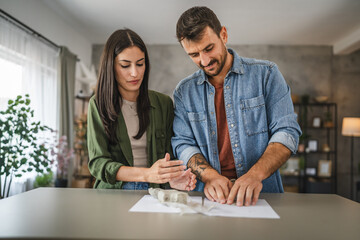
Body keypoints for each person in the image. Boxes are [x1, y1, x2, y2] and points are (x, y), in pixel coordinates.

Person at [172, 7, 301, 206]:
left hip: (262, 196)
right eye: (194, 54)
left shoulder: (266, 75)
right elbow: (183, 144)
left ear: (223, 34)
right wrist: (211, 177)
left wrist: (254, 175)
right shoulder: (183, 92)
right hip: (207, 199)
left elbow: (287, 132)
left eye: (208, 48)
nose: (204, 61)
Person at [87, 29, 196, 191]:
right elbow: (97, 163)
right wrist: (146, 174)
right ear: (111, 66)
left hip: (155, 191)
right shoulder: (98, 104)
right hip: (114, 192)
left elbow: (170, 156)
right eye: (125, 65)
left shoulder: (163, 103)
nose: (135, 73)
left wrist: (172, 179)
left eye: (140, 64)